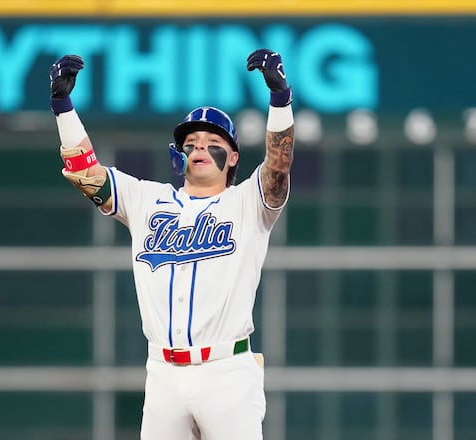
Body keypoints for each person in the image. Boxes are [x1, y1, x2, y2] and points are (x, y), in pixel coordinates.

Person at [48, 49, 294, 440]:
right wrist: (63, 108)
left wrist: (280, 101)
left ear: (232, 157)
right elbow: (86, 173)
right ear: (180, 154)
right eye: (191, 141)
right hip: (163, 373)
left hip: (226, 371)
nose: (198, 147)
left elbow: (278, 168)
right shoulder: (148, 200)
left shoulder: (247, 204)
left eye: (211, 141)